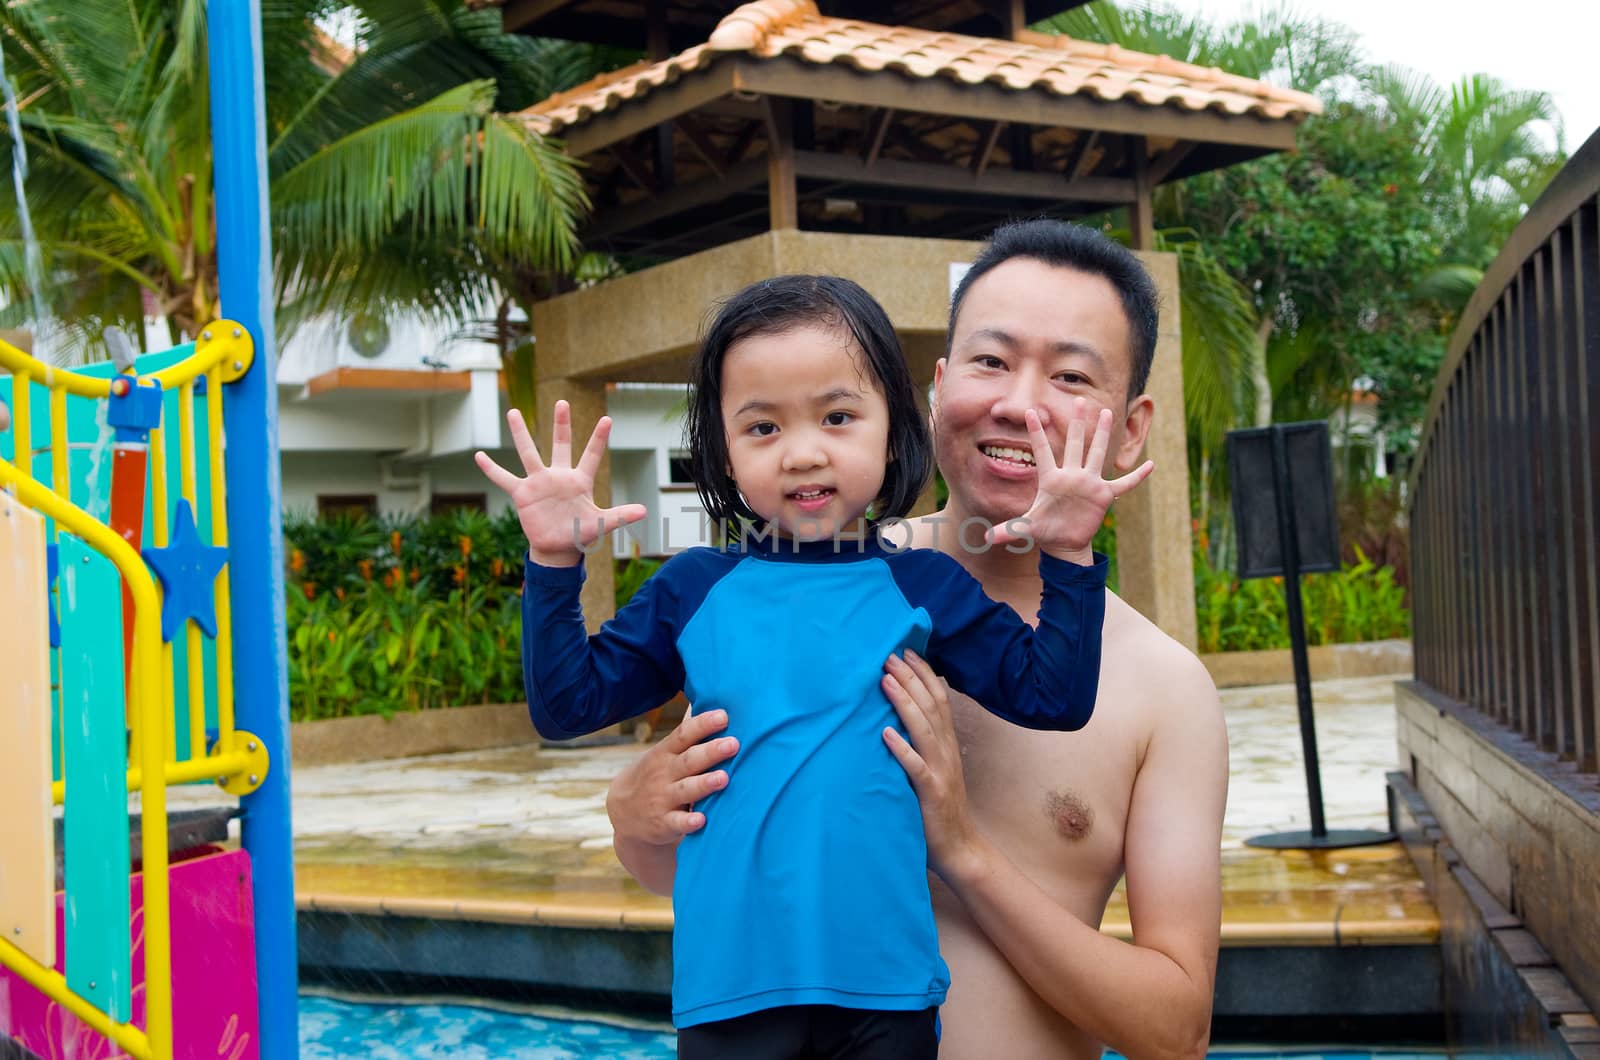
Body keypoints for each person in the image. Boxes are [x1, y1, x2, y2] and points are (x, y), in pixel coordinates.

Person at [478, 273, 1150, 1058]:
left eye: (837, 417)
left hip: (885, 987)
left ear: (895, 428)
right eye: (761, 428)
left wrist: (1068, 554)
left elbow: (1052, 697)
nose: (803, 452)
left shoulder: (924, 585)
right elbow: (568, 705)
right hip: (733, 987)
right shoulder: (694, 590)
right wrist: (553, 561)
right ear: (722, 452)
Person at [606, 221, 1230, 1060]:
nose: (1019, 402)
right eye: (991, 361)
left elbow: (1176, 1030)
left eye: (1071, 374)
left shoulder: (1164, 690)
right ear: (931, 391)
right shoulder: (778, 592)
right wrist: (634, 819)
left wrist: (964, 852)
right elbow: (702, 875)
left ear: (1131, 426)